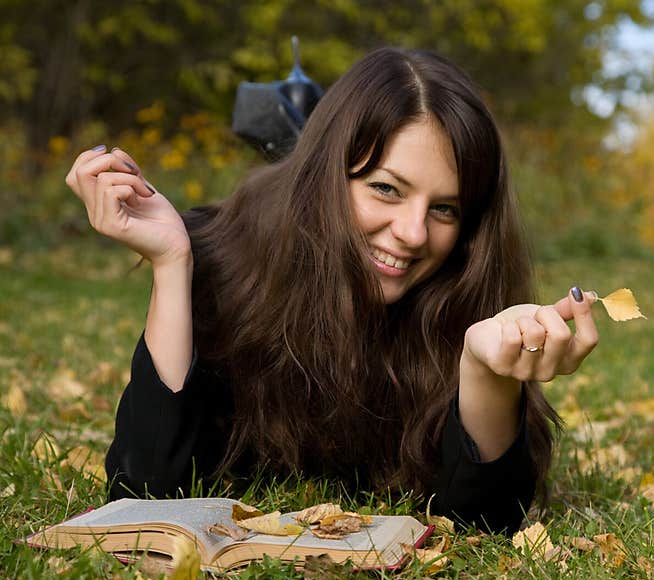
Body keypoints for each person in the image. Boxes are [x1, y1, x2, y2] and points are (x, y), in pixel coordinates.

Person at [65, 46, 600, 537]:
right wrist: (173, 263)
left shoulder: (463, 281)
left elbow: (484, 522)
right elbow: (144, 489)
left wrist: (485, 372)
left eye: (445, 208)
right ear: (327, 174)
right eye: (385, 188)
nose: (414, 234)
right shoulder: (227, 258)